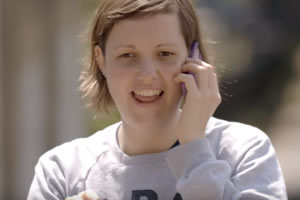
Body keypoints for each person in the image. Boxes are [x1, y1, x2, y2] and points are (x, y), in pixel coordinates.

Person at [27, 0, 287, 199]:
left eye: (165, 53)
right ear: (101, 60)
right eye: (128, 55)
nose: (147, 75)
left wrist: (194, 150)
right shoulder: (61, 171)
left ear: (194, 58)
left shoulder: (245, 152)